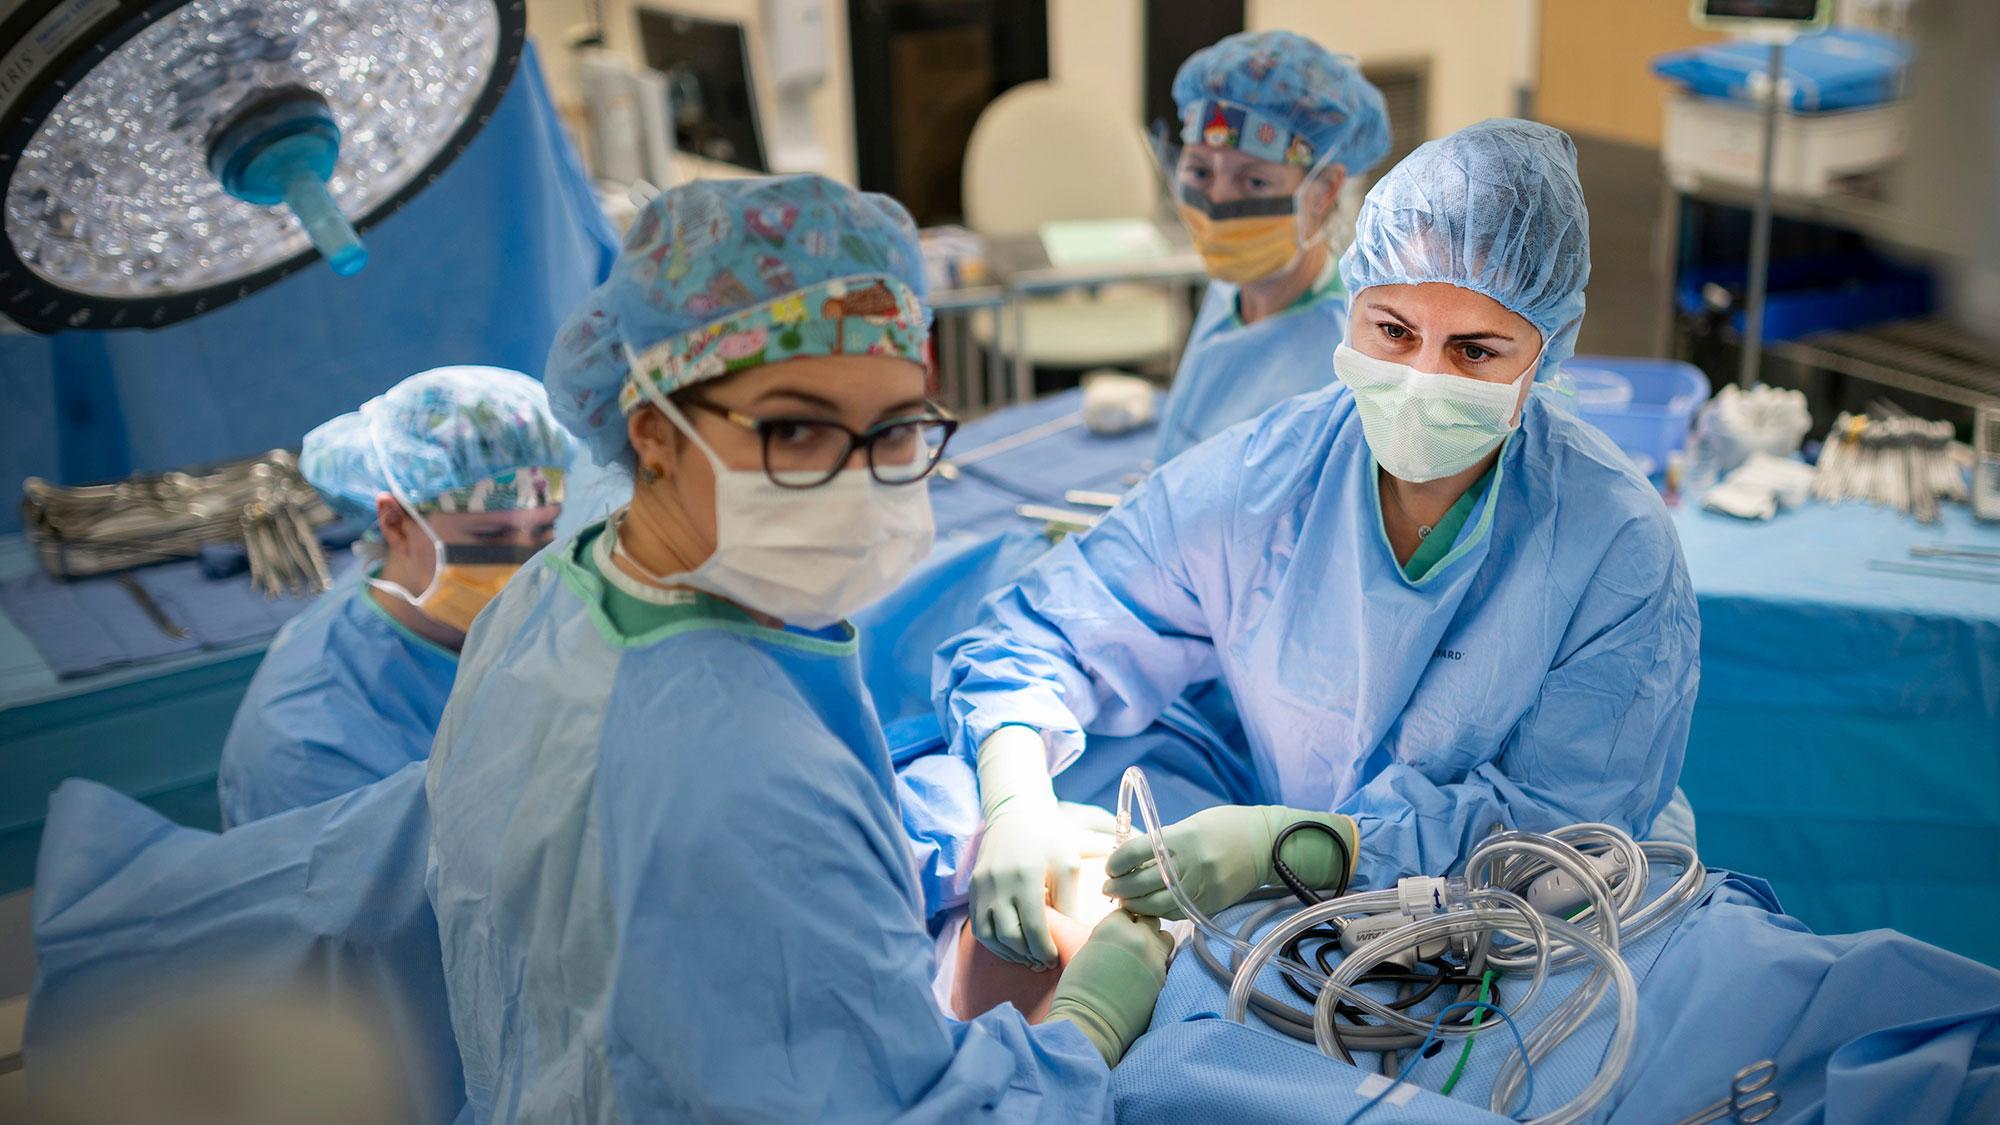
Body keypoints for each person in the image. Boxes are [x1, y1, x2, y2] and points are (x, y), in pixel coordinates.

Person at [426, 174, 1172, 1123]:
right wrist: (1086, 1027)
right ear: (654, 432)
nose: (857, 480)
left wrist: (940, 833)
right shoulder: (746, 779)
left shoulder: (559, 589)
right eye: (797, 429)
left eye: (895, 428)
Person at [939, 120, 1701, 970]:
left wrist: (1307, 847)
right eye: (1393, 331)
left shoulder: (1615, 544)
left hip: (1523, 932)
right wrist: (1015, 799)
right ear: (1353, 307)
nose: (1421, 380)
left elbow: (1560, 830)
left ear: (1545, 352)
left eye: (1475, 351)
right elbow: (1050, 629)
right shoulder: (1269, 478)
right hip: (1294, 898)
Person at [216, 367, 573, 828]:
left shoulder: (465, 610)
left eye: (545, 529)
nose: (525, 563)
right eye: (489, 536)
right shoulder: (310, 745)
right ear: (396, 524)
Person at [1152, 29, 1391, 463]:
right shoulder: (1230, 291)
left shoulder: (1346, 350)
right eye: (1200, 173)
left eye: (1255, 181)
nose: (1218, 201)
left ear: (1323, 190)